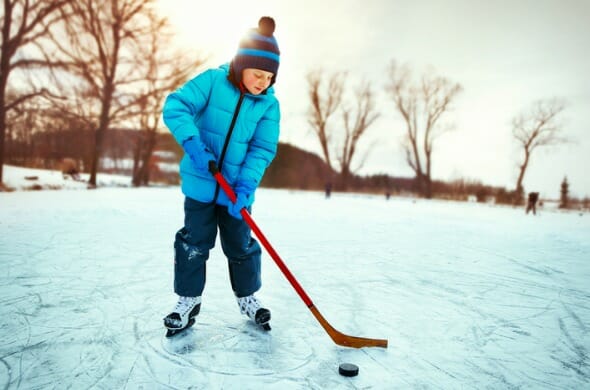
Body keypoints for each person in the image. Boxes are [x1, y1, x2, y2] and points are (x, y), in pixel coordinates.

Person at [161, 17, 281, 335]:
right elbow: (176, 106)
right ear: (241, 65)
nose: (262, 83)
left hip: (236, 192)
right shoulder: (213, 81)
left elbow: (262, 149)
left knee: (241, 246)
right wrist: (193, 144)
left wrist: (245, 185)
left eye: (269, 77)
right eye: (257, 74)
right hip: (202, 185)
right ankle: (187, 301)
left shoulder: (268, 106)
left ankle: (248, 298)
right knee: (193, 245)